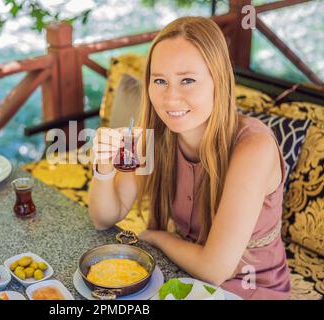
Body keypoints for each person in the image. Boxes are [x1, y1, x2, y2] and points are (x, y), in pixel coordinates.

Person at [88, 16, 291, 300]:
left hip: (250, 290)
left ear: (217, 81)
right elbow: (103, 218)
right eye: (160, 80)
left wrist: (157, 237)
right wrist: (103, 166)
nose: (170, 98)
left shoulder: (253, 148)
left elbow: (214, 270)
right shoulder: (154, 134)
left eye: (187, 80)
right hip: (185, 280)